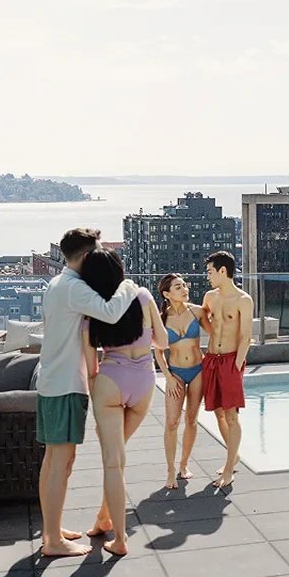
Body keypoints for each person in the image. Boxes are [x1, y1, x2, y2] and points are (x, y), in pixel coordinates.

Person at [35, 228, 141, 559]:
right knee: (60, 462)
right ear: (84, 256)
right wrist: (128, 286)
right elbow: (110, 312)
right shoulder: (74, 288)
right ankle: (52, 539)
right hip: (66, 384)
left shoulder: (58, 284)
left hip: (53, 380)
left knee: (54, 460)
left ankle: (51, 527)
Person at [78, 250, 166, 556]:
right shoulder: (142, 296)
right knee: (119, 457)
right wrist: (144, 339)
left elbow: (90, 369)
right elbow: (163, 341)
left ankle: (120, 540)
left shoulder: (91, 313)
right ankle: (104, 520)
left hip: (110, 382)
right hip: (144, 382)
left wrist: (96, 395)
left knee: (113, 461)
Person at [199, 250, 252, 489]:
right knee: (218, 413)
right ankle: (235, 454)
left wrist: (237, 364)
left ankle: (229, 468)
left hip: (231, 360)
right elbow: (204, 320)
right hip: (211, 358)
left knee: (232, 415)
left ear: (223, 271)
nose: (208, 276)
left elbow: (246, 336)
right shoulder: (210, 297)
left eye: (210, 271)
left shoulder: (243, 299)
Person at [157, 272, 209, 490]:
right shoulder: (162, 318)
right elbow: (158, 352)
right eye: (178, 287)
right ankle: (170, 470)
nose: (185, 289)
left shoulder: (197, 311)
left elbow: (217, 333)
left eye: (185, 286)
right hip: (176, 372)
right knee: (171, 422)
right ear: (167, 294)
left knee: (191, 420)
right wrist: (168, 377)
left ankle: (184, 464)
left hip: (198, 370)